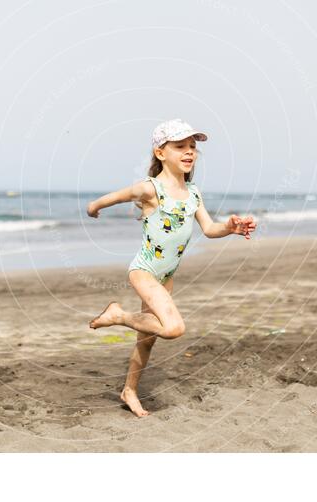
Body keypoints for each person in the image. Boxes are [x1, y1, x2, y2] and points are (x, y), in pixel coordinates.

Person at [86, 118, 256, 417]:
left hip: (166, 277)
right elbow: (113, 197)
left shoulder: (194, 193)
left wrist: (231, 228)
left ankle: (129, 391)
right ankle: (118, 315)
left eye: (192, 147)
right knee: (174, 328)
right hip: (144, 271)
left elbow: (209, 228)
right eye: (180, 146)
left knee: (147, 340)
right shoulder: (151, 189)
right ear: (161, 152)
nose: (189, 152)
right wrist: (94, 207)